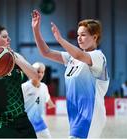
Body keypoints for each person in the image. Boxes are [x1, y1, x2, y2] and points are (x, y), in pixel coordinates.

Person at [32, 10, 110, 138]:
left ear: (95, 37)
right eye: (78, 35)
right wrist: (36, 30)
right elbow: (46, 52)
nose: (79, 38)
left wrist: (60, 39)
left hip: (90, 115)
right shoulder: (72, 58)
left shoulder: (98, 56)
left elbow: (79, 54)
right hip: (75, 116)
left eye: (83, 35)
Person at [21, 62, 55, 138]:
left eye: (42, 72)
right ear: (32, 72)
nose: (40, 74)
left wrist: (51, 104)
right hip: (27, 124)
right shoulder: (24, 87)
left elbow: (47, 98)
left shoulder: (44, 87)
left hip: (40, 124)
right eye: (38, 71)